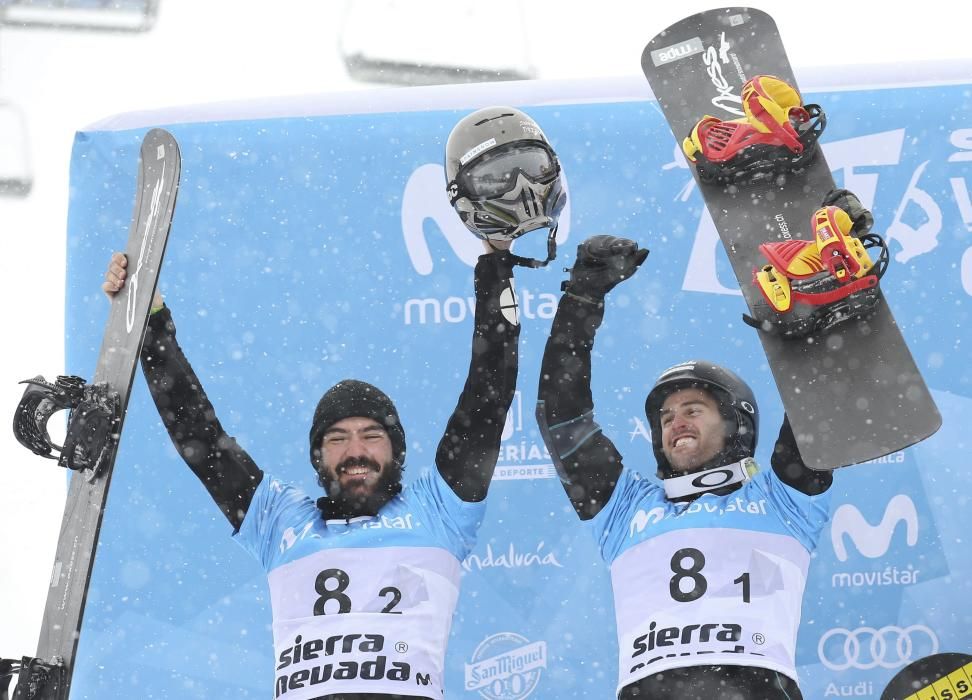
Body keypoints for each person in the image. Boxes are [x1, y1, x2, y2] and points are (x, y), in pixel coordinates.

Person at [102, 105, 565, 700]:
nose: (355, 451)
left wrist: (496, 262)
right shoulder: (281, 521)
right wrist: (152, 322)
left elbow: (489, 391)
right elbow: (199, 434)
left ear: (397, 450)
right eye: (337, 439)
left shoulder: (440, 510)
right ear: (318, 457)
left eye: (371, 435)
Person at [535, 235, 834, 699]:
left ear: (736, 425)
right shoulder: (623, 510)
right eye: (666, 417)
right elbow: (560, 416)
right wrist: (581, 298)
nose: (676, 423)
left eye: (693, 409)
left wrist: (825, 296)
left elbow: (814, 398)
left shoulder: (782, 499)